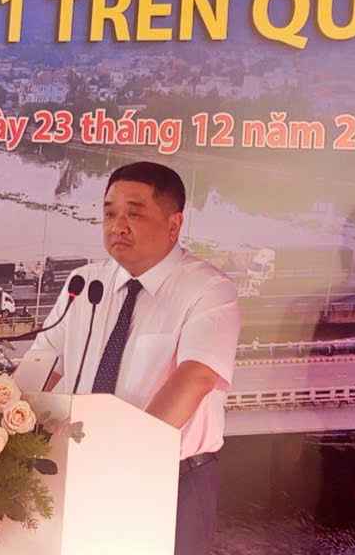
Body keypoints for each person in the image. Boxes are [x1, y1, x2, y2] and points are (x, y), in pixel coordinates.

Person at [22, 161, 239, 555]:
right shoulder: (85, 283)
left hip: (171, 479)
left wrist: (125, 456)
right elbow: (41, 365)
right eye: (110, 214)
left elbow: (194, 378)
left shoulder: (208, 289)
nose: (117, 226)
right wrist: (5, 425)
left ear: (174, 225)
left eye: (134, 214)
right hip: (80, 470)